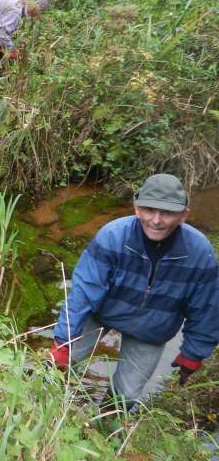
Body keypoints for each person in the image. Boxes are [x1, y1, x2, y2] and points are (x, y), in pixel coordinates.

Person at [49, 174, 219, 408]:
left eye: (167, 213)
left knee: (126, 396)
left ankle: (106, 425)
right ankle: (43, 411)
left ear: (184, 215)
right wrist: (63, 340)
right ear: (137, 208)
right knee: (58, 367)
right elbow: (84, 291)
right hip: (101, 311)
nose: (156, 220)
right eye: (149, 210)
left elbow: (207, 307)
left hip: (152, 327)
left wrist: (193, 353)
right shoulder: (113, 236)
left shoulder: (200, 252)